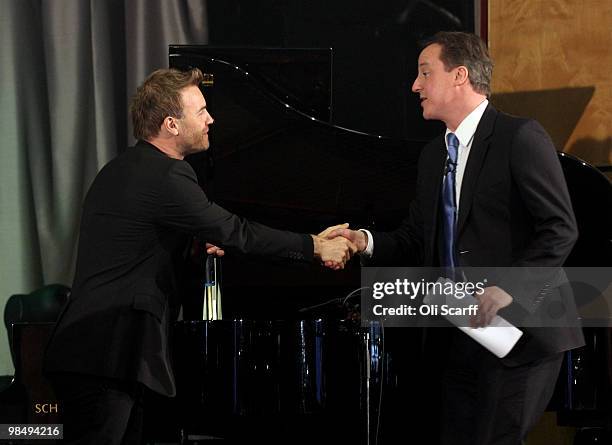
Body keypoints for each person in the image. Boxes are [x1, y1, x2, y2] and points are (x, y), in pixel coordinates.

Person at [43, 68, 356, 444]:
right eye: (202, 111)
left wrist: (195, 243)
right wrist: (315, 246)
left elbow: (137, 242)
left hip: (95, 352)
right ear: (172, 124)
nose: (211, 119)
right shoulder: (167, 176)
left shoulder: (123, 168)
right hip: (109, 354)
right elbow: (235, 230)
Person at [325, 32, 584, 444]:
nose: (415, 85)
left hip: (519, 334)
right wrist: (364, 240)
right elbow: (416, 237)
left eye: (425, 73)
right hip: (456, 332)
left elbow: (560, 227)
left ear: (460, 75)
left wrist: (510, 287)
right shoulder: (434, 156)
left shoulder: (520, 137)